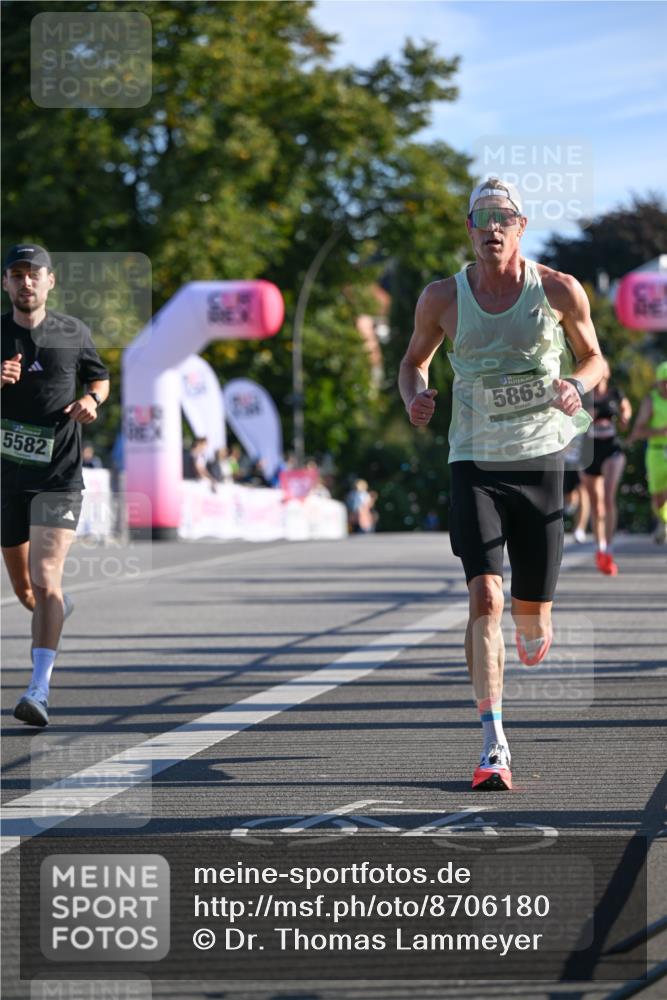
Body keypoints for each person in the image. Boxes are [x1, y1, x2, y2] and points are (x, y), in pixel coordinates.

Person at [399, 178, 603, 791]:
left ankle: (535, 622)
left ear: (520, 227)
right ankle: (494, 745)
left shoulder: (559, 289)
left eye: (503, 218)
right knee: (484, 598)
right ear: (468, 228)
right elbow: (413, 363)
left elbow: (595, 357)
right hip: (474, 461)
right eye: (481, 217)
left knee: (530, 619)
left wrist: (578, 385)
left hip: (540, 460)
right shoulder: (442, 297)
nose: (492, 227)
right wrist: (416, 398)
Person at [1, 243, 110, 727]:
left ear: (50, 281)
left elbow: (100, 378)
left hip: (58, 477)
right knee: (26, 590)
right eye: (17, 273)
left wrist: (92, 399)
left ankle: (38, 689)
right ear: (5, 283)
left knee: (47, 579)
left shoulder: (73, 332)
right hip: (6, 479)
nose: (26, 282)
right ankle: (54, 609)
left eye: (34, 274)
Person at [580, 359, 632, 574]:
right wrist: (585, 418)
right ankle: (599, 546)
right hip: (590, 451)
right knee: (596, 503)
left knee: (608, 496)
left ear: (607, 372)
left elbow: (626, 408)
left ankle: (609, 548)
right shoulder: (585, 395)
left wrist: (625, 417)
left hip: (611, 449)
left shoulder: (615, 393)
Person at [628, 360, 667, 543]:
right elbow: (638, 431)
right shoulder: (651, 401)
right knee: (658, 495)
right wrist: (660, 432)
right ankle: (663, 522)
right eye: (663, 381)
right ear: (658, 383)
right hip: (657, 451)